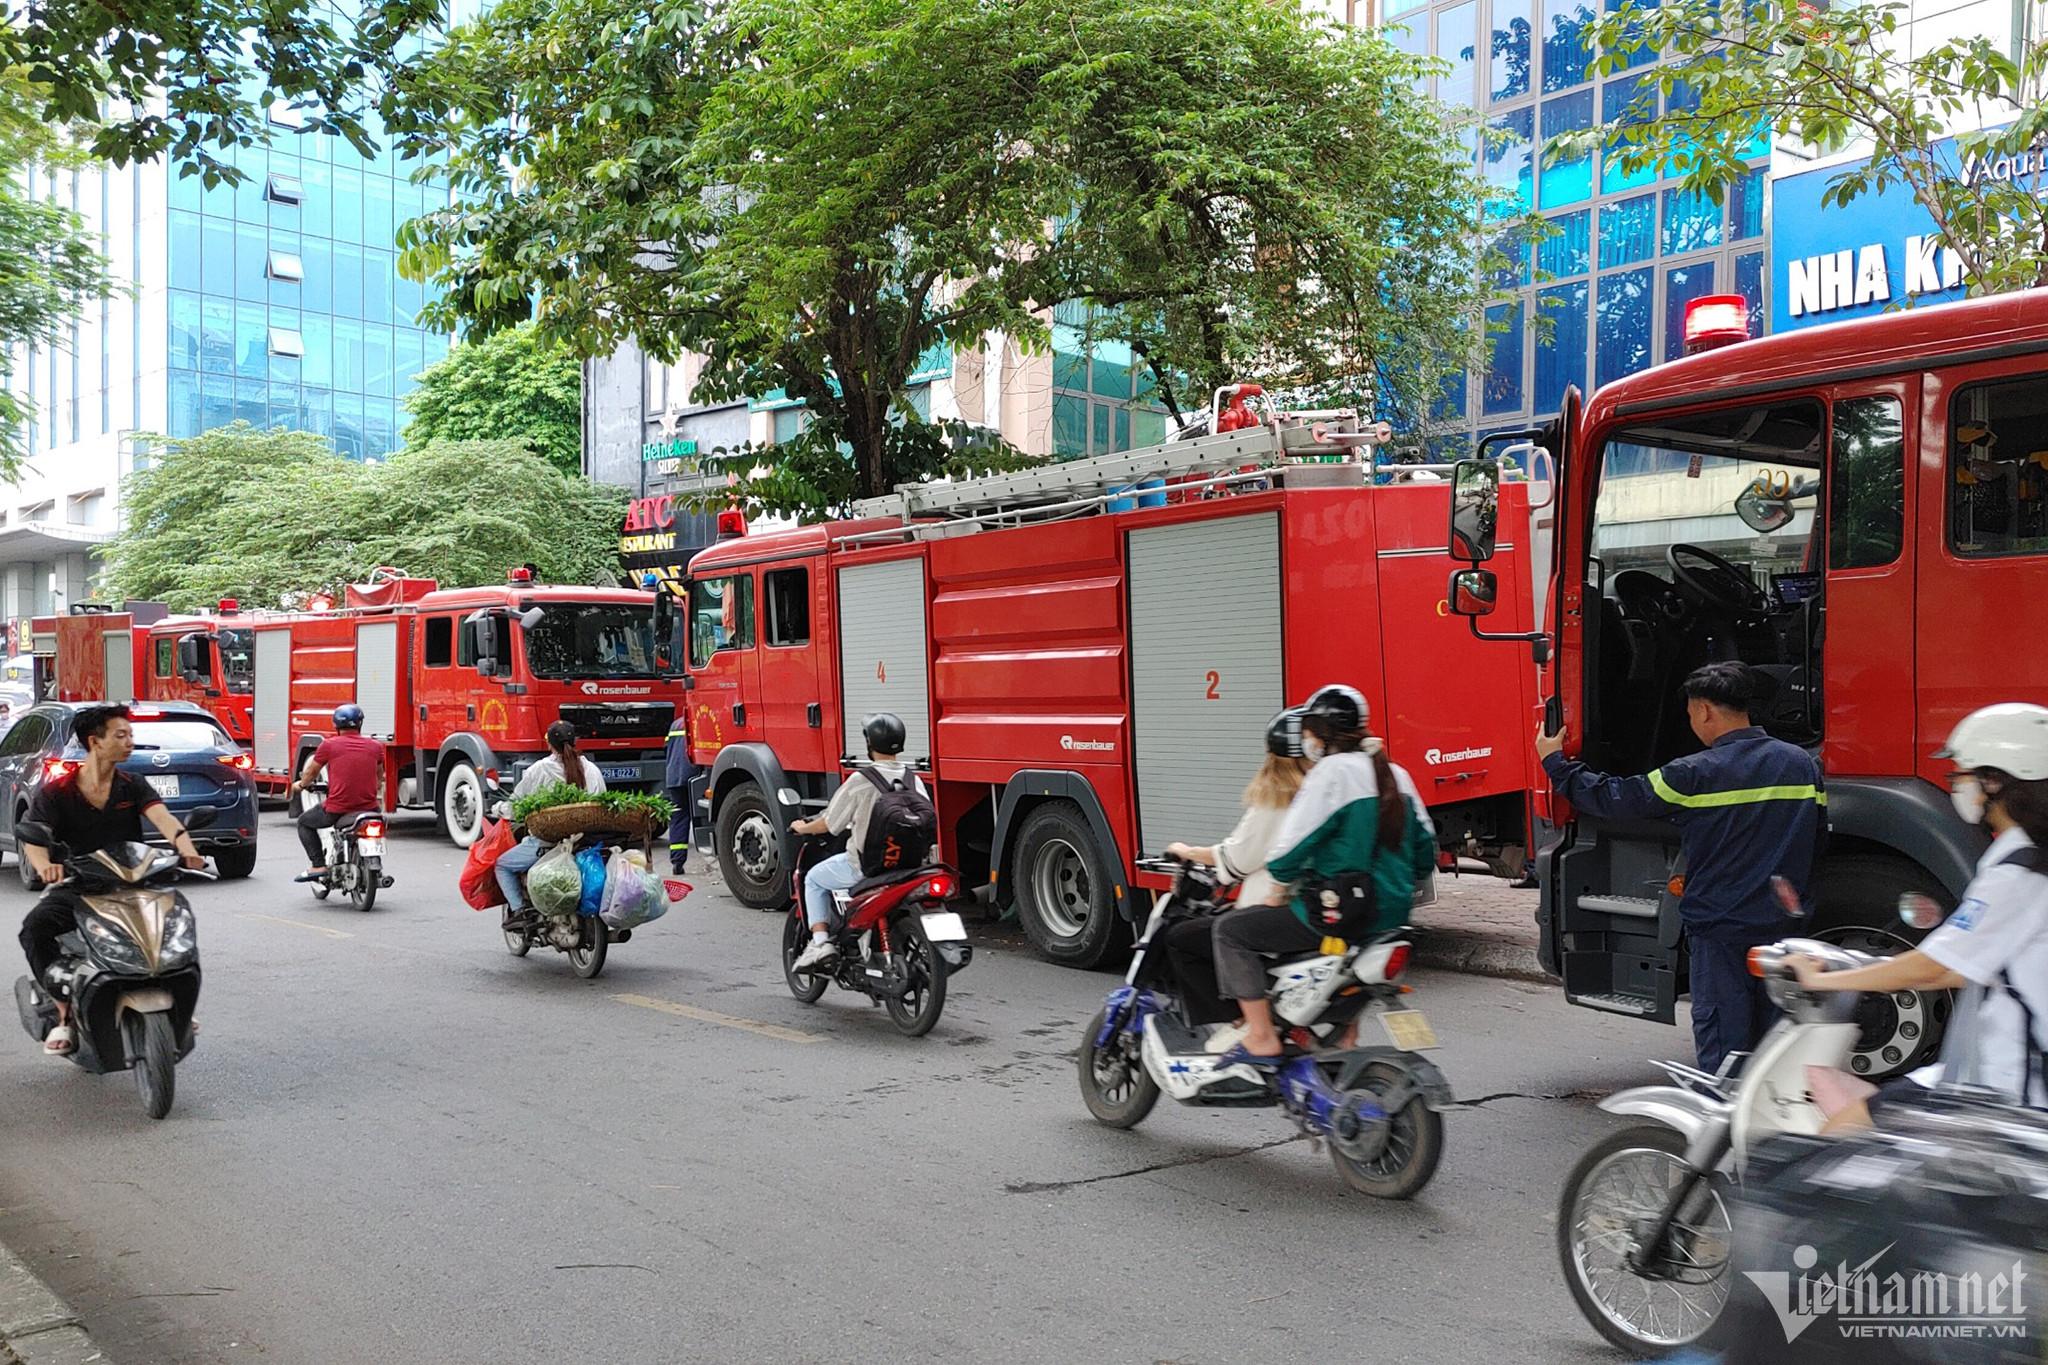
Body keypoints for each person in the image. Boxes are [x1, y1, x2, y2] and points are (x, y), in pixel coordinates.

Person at [1536, 660, 1827, 1074]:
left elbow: (1615, 799)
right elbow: (1817, 840)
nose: (1691, 722)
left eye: (1691, 713)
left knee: (1725, 1042)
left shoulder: (1692, 774)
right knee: (1778, 1041)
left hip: (1721, 926)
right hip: (1783, 924)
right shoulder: (1802, 765)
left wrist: (1555, 764)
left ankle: (1725, 1126)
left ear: (1705, 710)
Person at [1793, 702, 2048, 1129]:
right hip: (2003, 1067)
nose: (1957, 786)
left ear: (1996, 781)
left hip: (2007, 1088)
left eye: (1963, 775)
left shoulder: (2020, 871)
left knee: (1838, 1137)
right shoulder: (2031, 858)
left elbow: (1938, 969)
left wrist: (1821, 979)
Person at [1215, 684, 1437, 1064]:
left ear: (1318, 734)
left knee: (1230, 932)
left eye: (1307, 735)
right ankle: (1343, 1036)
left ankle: (1262, 1034)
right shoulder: (1397, 774)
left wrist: (1277, 887)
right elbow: (1425, 853)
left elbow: (1290, 850)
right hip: (1393, 918)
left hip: (1339, 914)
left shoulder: (1331, 774)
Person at [19, 704, 207, 1055]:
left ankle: (179, 1006)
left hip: (136, 881)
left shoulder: (132, 785)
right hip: (79, 885)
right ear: (95, 742)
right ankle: (64, 1015)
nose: (129, 742)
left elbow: (165, 820)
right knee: (35, 929)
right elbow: (35, 837)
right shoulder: (57, 792)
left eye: (130, 735)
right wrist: (45, 865)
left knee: (177, 925)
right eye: (121, 735)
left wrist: (187, 848)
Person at [1156, 707, 1312, 1036]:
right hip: (1319, 909)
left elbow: (1239, 858)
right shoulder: (1320, 792)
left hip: (1282, 909)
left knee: (1183, 938)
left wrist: (1187, 852)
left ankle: (1244, 1022)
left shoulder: (1278, 799)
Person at [787, 713, 925, 970]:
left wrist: (802, 827)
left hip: (867, 867)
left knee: (813, 879)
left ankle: (820, 943)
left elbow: (830, 823)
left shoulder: (862, 780)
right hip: (908, 867)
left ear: (869, 745)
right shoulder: (913, 778)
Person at [495, 720, 607, 921]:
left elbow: (517, 803)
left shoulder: (539, 769)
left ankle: (519, 912)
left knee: (502, 865)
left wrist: (500, 809)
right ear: (575, 741)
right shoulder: (592, 769)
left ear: (549, 744)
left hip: (547, 841)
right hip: (586, 839)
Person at [288, 704, 386, 883]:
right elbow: (379, 778)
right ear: (360, 724)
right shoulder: (376, 747)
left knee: (304, 822)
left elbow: (311, 772)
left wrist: (301, 785)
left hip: (337, 808)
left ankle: (318, 865)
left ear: (336, 726)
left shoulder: (329, 745)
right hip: (370, 808)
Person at [664, 714, 694, 876]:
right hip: (693, 776)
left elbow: (667, 749)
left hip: (674, 777)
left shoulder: (675, 724)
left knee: (678, 818)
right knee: (701, 817)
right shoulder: (698, 721)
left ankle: (677, 861)